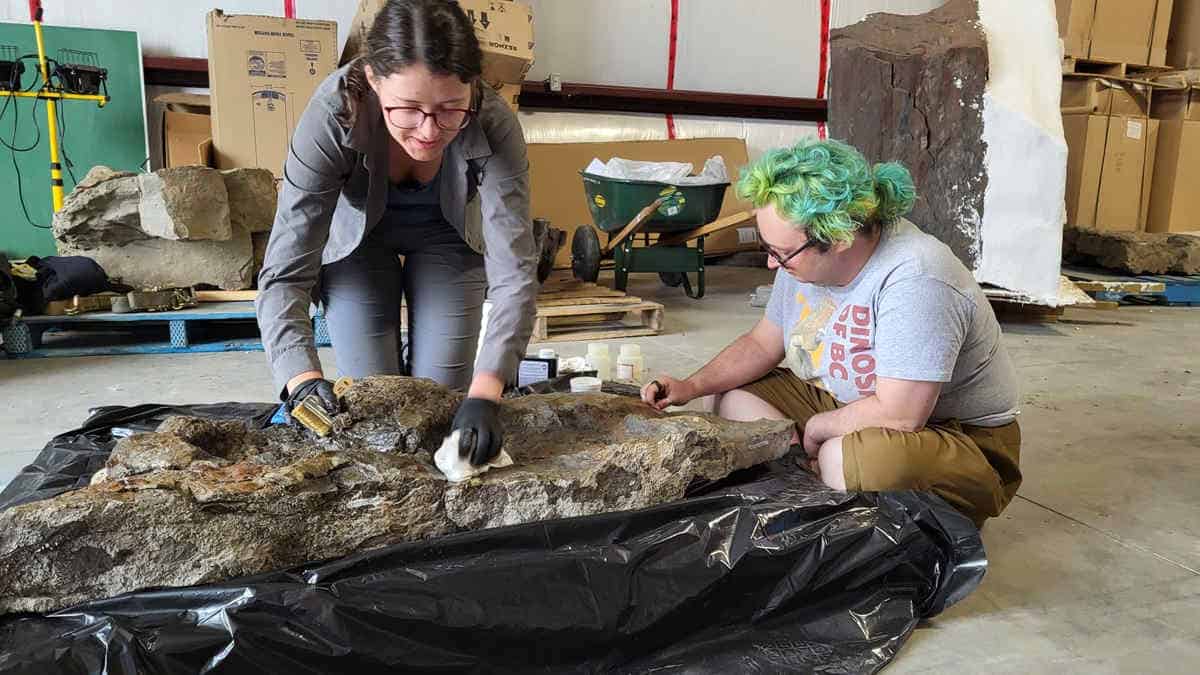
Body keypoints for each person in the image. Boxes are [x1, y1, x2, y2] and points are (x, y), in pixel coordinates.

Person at [641, 139, 1022, 526]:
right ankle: (806, 484)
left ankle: (833, 485)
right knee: (724, 395)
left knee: (850, 458)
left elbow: (901, 416)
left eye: (782, 253)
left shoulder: (917, 278)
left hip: (954, 437)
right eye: (769, 249)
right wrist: (690, 386)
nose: (772, 263)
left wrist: (821, 429)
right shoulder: (803, 259)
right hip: (851, 404)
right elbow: (761, 343)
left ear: (839, 239)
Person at [255, 0, 536, 466]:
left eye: (450, 111)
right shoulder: (330, 115)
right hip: (358, 241)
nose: (428, 132)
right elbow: (286, 269)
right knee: (373, 404)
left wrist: (486, 394)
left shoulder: (493, 120)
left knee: (440, 398)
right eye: (406, 110)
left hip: (449, 235)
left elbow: (514, 270)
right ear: (372, 79)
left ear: (472, 88)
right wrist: (300, 378)